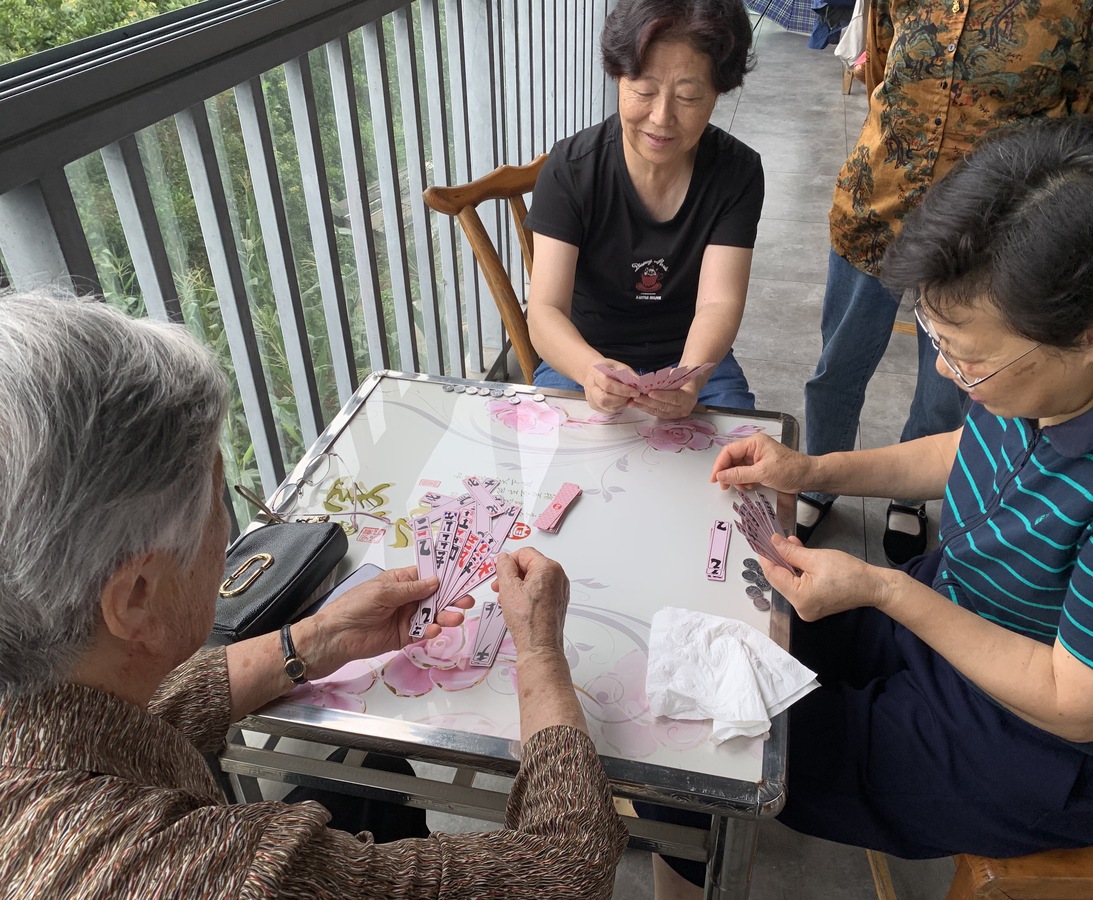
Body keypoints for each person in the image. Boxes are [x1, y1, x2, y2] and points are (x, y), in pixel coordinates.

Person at [645, 116, 1093, 898]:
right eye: (934, 335)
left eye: (963, 357)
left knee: (696, 767)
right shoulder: (1058, 354)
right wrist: (814, 467)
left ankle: (687, 838)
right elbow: (969, 451)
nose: (945, 368)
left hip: (1034, 739)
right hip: (955, 608)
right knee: (718, 632)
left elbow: (1078, 705)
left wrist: (883, 588)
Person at [0, 294, 627, 897]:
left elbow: (118, 724)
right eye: (217, 503)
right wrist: (541, 652)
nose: (234, 533)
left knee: (373, 779)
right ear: (135, 595)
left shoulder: (43, 697)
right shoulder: (197, 871)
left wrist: (320, 637)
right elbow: (568, 867)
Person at [799, 0, 1093, 564]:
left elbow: (1089, 112)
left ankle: (915, 494)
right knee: (840, 358)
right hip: (880, 200)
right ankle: (818, 476)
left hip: (993, 231)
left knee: (957, 374)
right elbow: (882, 62)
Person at [525, 0, 764, 419]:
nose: (661, 117)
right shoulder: (571, 170)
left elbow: (718, 304)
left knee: (729, 472)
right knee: (563, 471)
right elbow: (545, 311)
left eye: (688, 96)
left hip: (691, 356)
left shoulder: (736, 173)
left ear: (718, 92)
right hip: (584, 358)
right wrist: (590, 369)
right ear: (618, 77)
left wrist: (688, 377)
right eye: (644, 91)